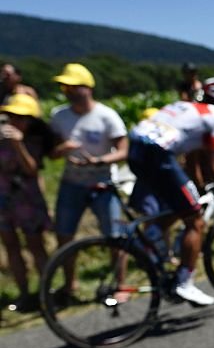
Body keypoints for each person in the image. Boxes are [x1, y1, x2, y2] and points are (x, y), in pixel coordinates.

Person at [126, 77, 214, 306]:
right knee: (196, 221)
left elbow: (192, 160)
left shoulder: (187, 107)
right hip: (158, 154)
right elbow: (212, 166)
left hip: (136, 149)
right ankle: (184, 282)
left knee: (182, 207)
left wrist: (198, 187)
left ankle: (146, 243)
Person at [48, 63, 129, 299]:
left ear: (87, 87)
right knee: (64, 235)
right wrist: (63, 149)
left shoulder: (106, 116)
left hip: (103, 182)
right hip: (71, 182)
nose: (67, 91)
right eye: (65, 87)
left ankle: (121, 286)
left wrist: (99, 160)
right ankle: (69, 284)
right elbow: (51, 152)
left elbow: (123, 151)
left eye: (73, 86)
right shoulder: (59, 116)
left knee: (115, 236)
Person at [0, 94, 56, 312]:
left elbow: (31, 168)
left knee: (36, 244)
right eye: (11, 115)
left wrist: (17, 144)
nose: (15, 121)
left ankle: (47, 292)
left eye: (21, 117)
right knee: (11, 245)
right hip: (4, 197)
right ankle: (24, 294)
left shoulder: (35, 139)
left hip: (28, 198)